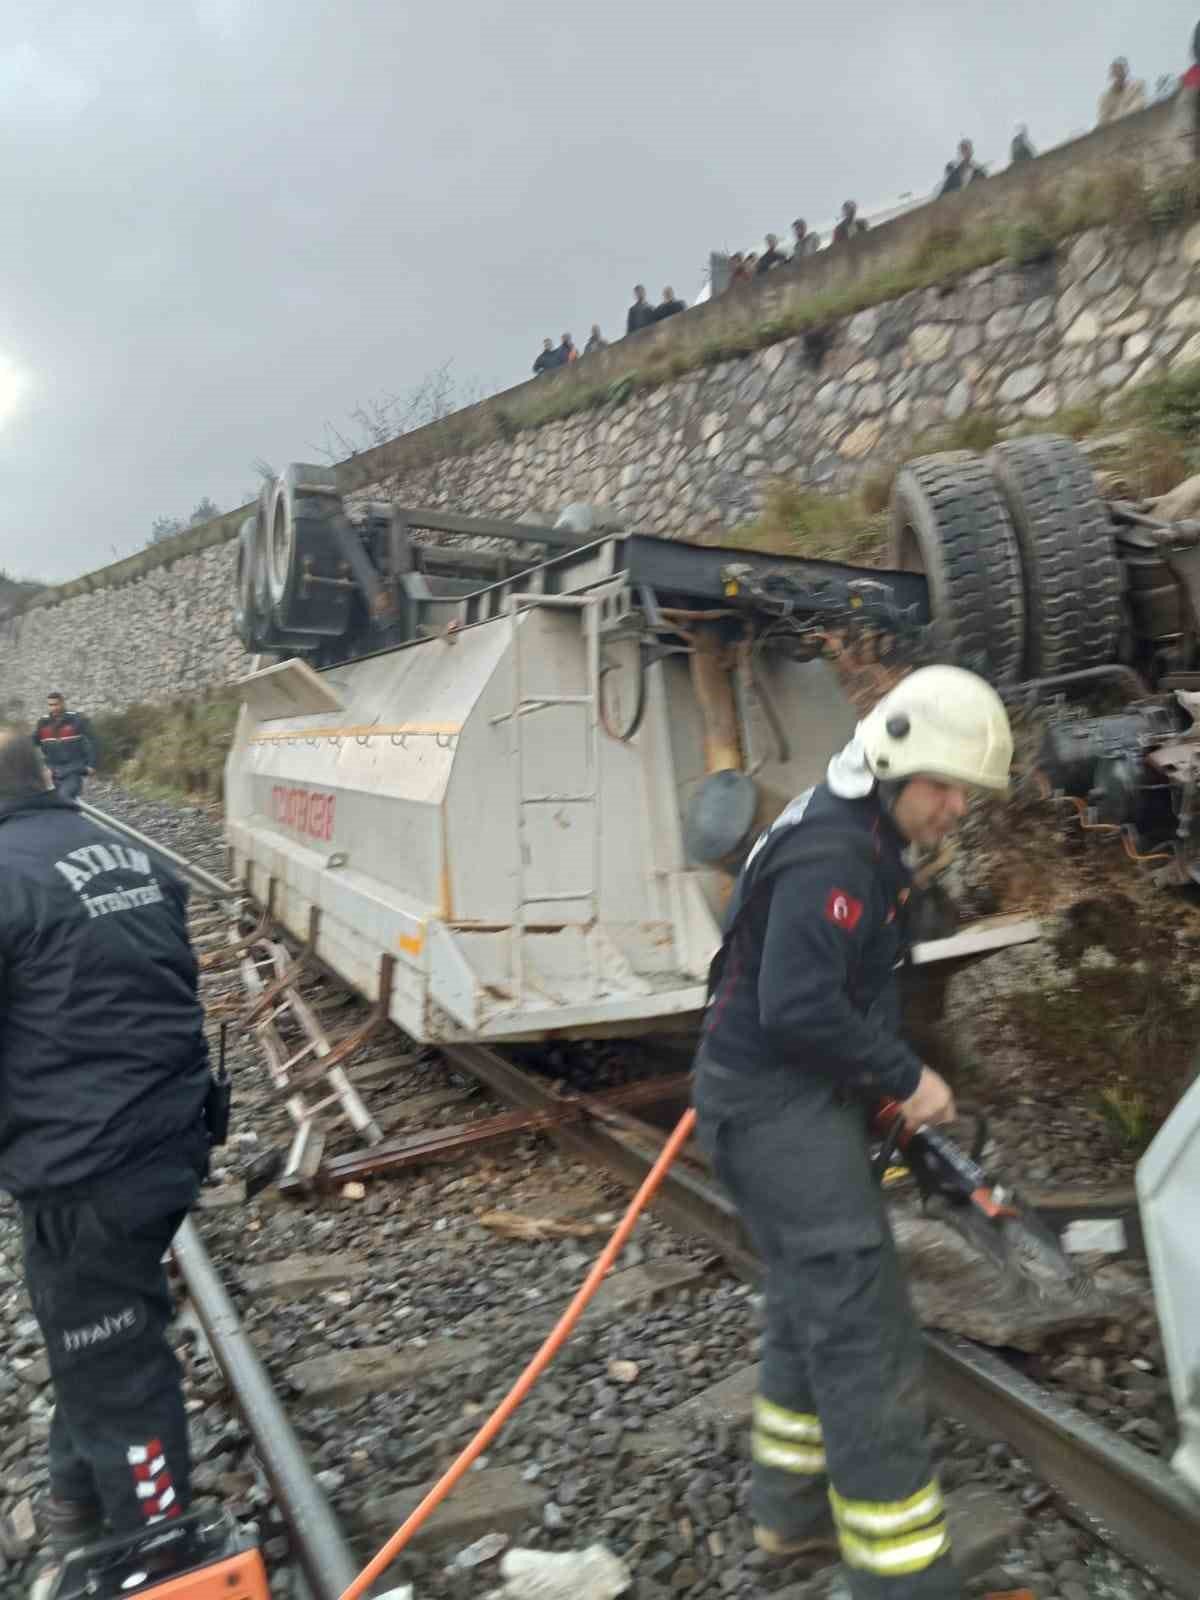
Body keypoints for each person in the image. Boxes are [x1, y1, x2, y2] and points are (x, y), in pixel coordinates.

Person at [692, 667, 1014, 1599]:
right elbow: (797, 1008)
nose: (957, 806)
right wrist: (909, 1079)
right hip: (770, 1105)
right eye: (944, 786)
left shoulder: (855, 828)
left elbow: (827, 1001)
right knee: (865, 1328)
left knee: (810, 1294)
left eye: (969, 791)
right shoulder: (837, 856)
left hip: (778, 1097)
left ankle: (790, 1515)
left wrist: (883, 1102)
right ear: (892, 761)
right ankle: (902, 1580)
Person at [0, 729, 214, 1600]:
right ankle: (74, 1504)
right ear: (46, 776)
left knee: (119, 1368)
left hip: (86, 1171)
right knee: (94, 1336)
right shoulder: (119, 851)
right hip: (169, 1142)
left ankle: (161, 1560)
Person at [32, 693, 97, 803]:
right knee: (47, 801)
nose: (53, 708)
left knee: (64, 798)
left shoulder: (77, 719)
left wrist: (92, 764)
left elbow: (93, 741)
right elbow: (33, 741)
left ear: (62, 703)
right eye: (50, 705)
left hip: (73, 770)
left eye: (56, 704)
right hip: (51, 771)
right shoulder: (43, 722)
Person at [1098, 57, 1146, 124]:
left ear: (1125, 72)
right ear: (1111, 75)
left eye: (1120, 70)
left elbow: (1138, 106)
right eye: (1115, 72)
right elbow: (1102, 121)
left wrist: (1115, 117)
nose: (1117, 75)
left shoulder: (1137, 86)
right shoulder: (1105, 97)